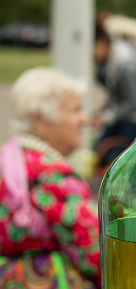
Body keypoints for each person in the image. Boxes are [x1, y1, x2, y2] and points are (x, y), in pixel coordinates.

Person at [0, 67, 100, 288]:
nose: (84, 119)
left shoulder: (9, 160)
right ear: (38, 119)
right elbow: (96, 254)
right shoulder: (53, 177)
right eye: (75, 110)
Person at [94, 25, 136, 169]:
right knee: (97, 151)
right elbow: (116, 93)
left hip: (135, 120)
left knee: (114, 159)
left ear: (102, 43)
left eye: (93, 47)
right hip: (123, 117)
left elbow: (134, 102)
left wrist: (107, 117)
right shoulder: (112, 59)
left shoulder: (125, 64)